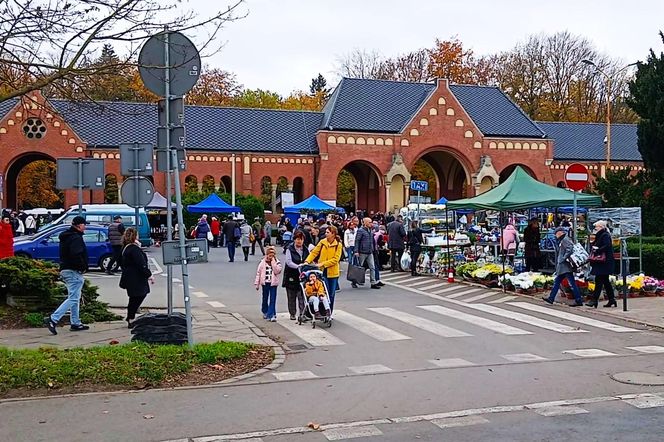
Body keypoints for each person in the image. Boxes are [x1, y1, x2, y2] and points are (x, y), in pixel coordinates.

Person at [44, 216, 90, 335]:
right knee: (74, 298)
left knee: (74, 297)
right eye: (84, 225)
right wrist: (83, 266)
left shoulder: (66, 236)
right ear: (79, 225)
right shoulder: (76, 238)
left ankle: (75, 322)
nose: (85, 227)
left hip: (65, 269)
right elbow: (76, 254)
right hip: (73, 270)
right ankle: (53, 319)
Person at [119, 228, 153, 328]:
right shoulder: (134, 249)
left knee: (134, 298)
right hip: (136, 278)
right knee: (138, 296)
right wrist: (149, 275)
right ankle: (131, 318)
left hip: (129, 277)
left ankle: (130, 317)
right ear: (134, 236)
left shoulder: (126, 247)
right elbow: (141, 264)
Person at [304, 225, 342, 313]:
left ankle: (330, 312)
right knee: (324, 292)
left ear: (333, 234)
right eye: (326, 232)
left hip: (333, 273)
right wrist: (307, 261)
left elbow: (336, 259)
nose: (326, 234)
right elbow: (314, 252)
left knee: (331, 294)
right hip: (321, 272)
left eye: (328, 232)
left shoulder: (338, 245)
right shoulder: (322, 242)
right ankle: (323, 310)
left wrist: (323, 264)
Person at [543, 227, 584, 307]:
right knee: (558, 282)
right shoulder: (563, 239)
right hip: (563, 266)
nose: (555, 235)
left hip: (565, 266)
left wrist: (563, 258)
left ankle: (578, 300)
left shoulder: (565, 239)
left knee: (570, 283)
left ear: (560, 232)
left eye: (556, 233)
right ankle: (551, 298)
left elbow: (570, 248)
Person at [586, 220, 617, 308]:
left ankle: (594, 300)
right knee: (605, 282)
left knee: (599, 281)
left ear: (602, 227)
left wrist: (597, 250)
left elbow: (607, 246)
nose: (595, 228)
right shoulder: (602, 235)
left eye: (597, 227)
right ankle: (611, 299)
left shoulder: (604, 235)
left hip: (603, 262)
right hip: (604, 262)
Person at [283, 231, 309, 321]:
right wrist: (298, 266)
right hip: (291, 275)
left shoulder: (305, 249)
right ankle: (292, 313)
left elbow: (309, 259)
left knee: (302, 296)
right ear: (294, 240)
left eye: (301, 239)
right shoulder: (289, 249)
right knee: (291, 296)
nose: (299, 241)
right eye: (298, 239)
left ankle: (302, 314)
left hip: (302, 276)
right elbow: (288, 262)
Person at [254, 246, 282, 322]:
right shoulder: (262, 263)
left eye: (272, 255)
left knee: (273, 299)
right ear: (266, 255)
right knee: (265, 298)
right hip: (265, 283)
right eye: (269, 255)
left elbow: (277, 271)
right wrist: (257, 284)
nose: (270, 257)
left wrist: (273, 262)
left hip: (273, 284)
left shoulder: (277, 262)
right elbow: (258, 273)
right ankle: (265, 311)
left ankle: (272, 314)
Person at [354, 217, 381, 289]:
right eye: (369, 222)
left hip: (370, 251)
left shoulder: (370, 230)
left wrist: (374, 249)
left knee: (372, 267)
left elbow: (372, 241)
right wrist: (356, 251)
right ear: (365, 223)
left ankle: (373, 282)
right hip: (362, 251)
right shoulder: (360, 231)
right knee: (359, 267)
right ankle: (354, 281)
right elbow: (357, 241)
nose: (371, 224)